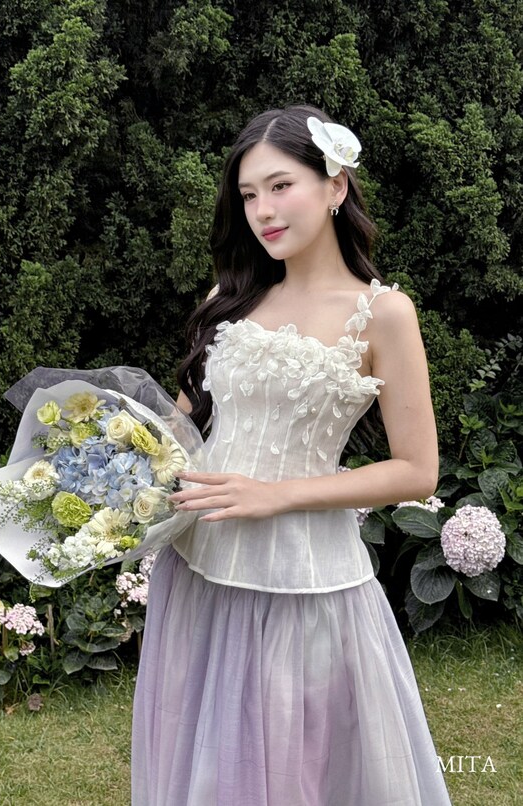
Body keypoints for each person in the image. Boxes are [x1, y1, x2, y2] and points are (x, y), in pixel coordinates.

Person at [131, 104, 452, 805]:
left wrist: (275, 494)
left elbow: (417, 470)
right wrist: (110, 474)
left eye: (280, 186)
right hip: (200, 569)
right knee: (203, 767)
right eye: (249, 195)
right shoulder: (231, 297)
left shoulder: (383, 313)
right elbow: (180, 431)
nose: (263, 211)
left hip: (304, 584)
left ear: (335, 185)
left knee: (296, 770)